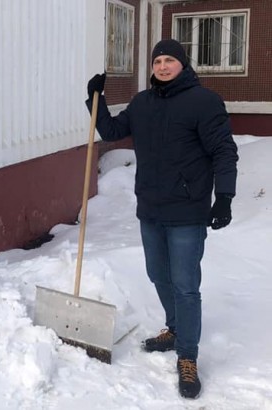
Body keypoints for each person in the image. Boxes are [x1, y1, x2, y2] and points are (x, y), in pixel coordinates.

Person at [86, 39, 238, 399]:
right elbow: (109, 131)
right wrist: (96, 99)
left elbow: (223, 151)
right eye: (158, 61)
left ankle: (188, 355)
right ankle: (174, 328)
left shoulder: (204, 102)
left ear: (183, 65)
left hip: (187, 210)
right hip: (151, 209)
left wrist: (225, 197)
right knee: (158, 274)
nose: (163, 66)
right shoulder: (143, 103)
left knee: (185, 285)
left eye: (170, 60)